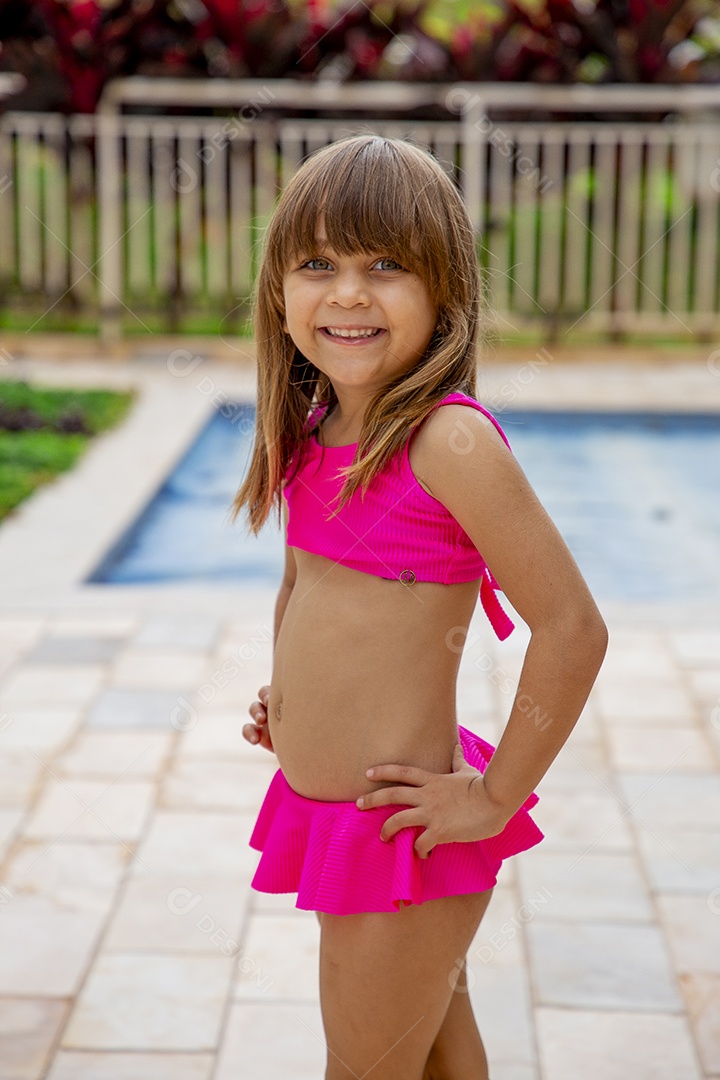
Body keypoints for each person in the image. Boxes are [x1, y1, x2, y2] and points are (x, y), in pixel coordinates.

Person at [231, 133, 608, 1080]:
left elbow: (573, 630)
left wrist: (493, 797)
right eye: (317, 264)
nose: (348, 293)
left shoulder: (447, 444)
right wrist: (294, 697)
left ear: (445, 295)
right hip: (340, 817)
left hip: (395, 837)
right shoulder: (316, 428)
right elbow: (307, 583)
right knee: (435, 1057)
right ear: (280, 291)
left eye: (386, 266)